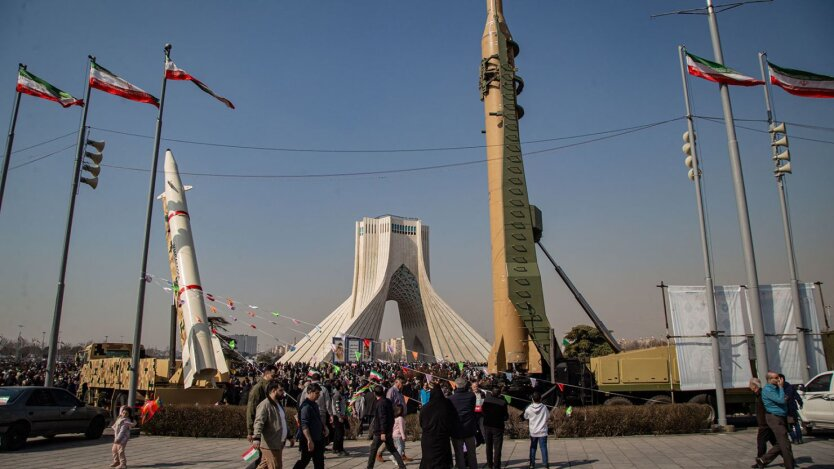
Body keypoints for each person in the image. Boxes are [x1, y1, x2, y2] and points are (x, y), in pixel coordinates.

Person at [756, 371, 794, 469]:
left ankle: (763, 459)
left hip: (781, 416)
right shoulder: (768, 390)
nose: (779, 379)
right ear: (769, 379)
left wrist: (782, 392)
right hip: (774, 417)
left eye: (779, 377)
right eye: (776, 378)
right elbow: (782, 400)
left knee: (782, 443)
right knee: (785, 444)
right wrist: (781, 388)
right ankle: (790, 466)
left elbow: (786, 398)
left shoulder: (777, 389)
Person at [367, 385, 407, 469]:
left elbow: (383, 418)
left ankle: (369, 467)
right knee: (392, 449)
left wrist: (383, 432)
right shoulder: (388, 401)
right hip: (388, 430)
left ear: (375, 394)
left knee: (373, 450)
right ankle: (402, 466)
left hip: (381, 432)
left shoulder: (380, 403)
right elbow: (391, 415)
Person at [253, 382, 289, 469]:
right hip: (270, 443)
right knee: (276, 466)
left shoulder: (278, 404)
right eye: (280, 390)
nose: (283, 393)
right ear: (273, 390)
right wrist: (256, 437)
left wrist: (289, 435)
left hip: (278, 442)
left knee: (264, 465)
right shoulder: (265, 405)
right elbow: (259, 422)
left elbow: (282, 421)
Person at [293, 383, 328, 469]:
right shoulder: (305, 406)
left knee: (319, 462)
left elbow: (318, 419)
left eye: (319, 393)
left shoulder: (314, 404)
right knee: (305, 460)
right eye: (316, 393)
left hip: (318, 438)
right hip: (309, 439)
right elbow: (304, 424)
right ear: (309, 392)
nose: (318, 395)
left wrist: (324, 427)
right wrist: (309, 440)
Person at [419, 385, 454, 469]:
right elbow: (452, 419)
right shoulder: (447, 405)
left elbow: (421, 423)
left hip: (428, 439)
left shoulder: (425, 408)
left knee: (429, 461)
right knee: (442, 461)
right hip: (442, 437)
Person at [449, 376, 478, 469]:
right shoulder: (471, 395)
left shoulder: (451, 399)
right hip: (469, 428)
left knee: (459, 454)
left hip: (456, 430)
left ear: (456, 385)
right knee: (472, 453)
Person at [749, 377, 777, 463]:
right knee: (776, 443)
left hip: (765, 423)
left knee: (761, 442)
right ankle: (788, 457)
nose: (749, 387)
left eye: (750, 385)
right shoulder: (758, 394)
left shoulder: (762, 395)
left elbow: (766, 408)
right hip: (765, 422)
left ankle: (760, 460)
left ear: (754, 386)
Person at [481, 386, 509, 469]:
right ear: (499, 394)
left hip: (487, 425)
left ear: (492, 393)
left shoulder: (486, 400)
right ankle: (497, 466)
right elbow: (506, 416)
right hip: (498, 426)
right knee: (497, 447)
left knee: (488, 446)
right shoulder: (502, 402)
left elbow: (483, 411)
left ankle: (490, 464)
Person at [524, 391, 549, 469]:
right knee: (543, 447)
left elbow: (525, 417)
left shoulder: (529, 408)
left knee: (533, 447)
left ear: (532, 399)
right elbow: (548, 416)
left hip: (533, 431)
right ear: (541, 399)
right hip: (542, 431)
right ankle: (545, 464)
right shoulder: (544, 407)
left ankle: (532, 464)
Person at [779, 373, 804, 444]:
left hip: (786, 409)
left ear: (782, 379)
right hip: (792, 407)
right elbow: (797, 396)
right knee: (795, 424)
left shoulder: (779, 388)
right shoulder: (790, 386)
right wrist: (800, 403)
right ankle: (799, 439)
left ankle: (795, 439)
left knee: (789, 425)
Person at [330, 381, 349, 456]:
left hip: (341, 415)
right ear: (340, 387)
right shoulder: (337, 395)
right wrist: (339, 416)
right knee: (340, 434)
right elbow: (337, 407)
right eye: (343, 386)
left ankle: (335, 448)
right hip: (338, 416)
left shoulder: (341, 395)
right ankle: (339, 449)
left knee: (338, 433)